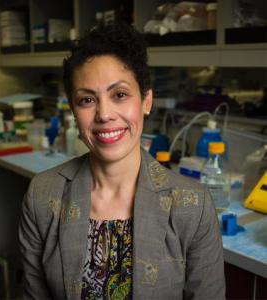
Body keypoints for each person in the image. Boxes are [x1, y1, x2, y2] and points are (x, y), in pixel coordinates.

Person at [19, 22, 225, 300]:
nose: (104, 114)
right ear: (73, 111)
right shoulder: (42, 196)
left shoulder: (192, 206)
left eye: (119, 95)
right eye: (87, 99)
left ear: (146, 100)